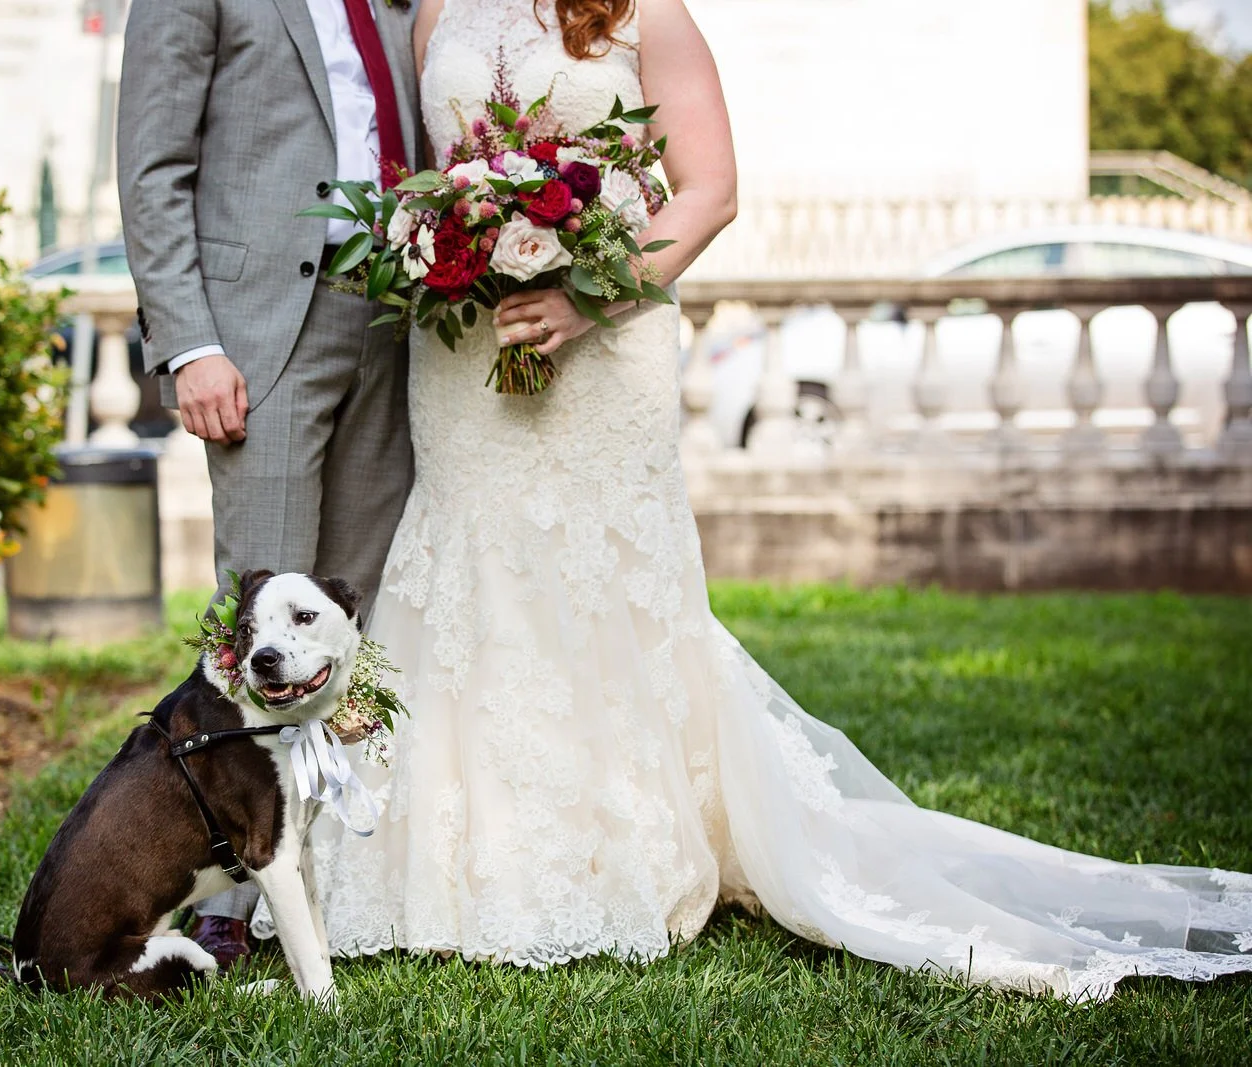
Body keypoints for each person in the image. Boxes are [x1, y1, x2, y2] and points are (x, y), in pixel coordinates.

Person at [300, 0, 1252, 1001]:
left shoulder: (640, 11)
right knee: (469, 564)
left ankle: (617, 850)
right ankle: (452, 863)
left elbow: (710, 189)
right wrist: (451, 247)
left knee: (594, 571)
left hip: (603, 346)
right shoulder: (436, 12)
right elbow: (438, 178)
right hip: (463, 352)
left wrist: (585, 296)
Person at [116, 0, 421, 970]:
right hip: (260, 328)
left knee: (356, 619)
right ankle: (228, 892)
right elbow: (152, 164)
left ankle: (341, 874)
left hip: (398, 321)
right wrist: (189, 343)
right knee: (261, 630)